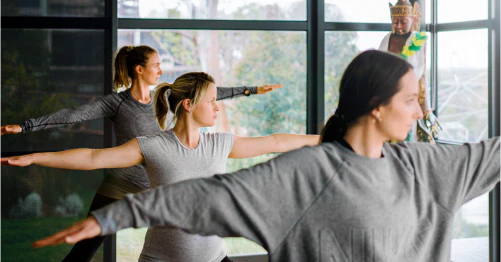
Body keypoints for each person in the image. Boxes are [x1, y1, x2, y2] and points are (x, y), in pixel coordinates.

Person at [20, 50, 501, 261]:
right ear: (377, 108)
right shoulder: (299, 178)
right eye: (412, 99)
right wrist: (110, 217)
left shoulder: (430, 167)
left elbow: (271, 144)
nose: (421, 110)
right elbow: (206, 197)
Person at [0, 45, 281, 262]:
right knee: (85, 248)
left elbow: (208, 96)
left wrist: (250, 90)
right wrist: (27, 127)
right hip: (122, 182)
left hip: (155, 182)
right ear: (138, 69)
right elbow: (77, 120)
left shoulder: (167, 96)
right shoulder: (117, 103)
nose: (160, 70)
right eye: (156, 65)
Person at [379, 0, 440, 143]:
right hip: (387, 93)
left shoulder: (417, 40)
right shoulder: (387, 39)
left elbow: (420, 75)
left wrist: (426, 109)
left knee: (408, 138)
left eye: (403, 22)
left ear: (412, 21)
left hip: (409, 94)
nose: (398, 26)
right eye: (395, 22)